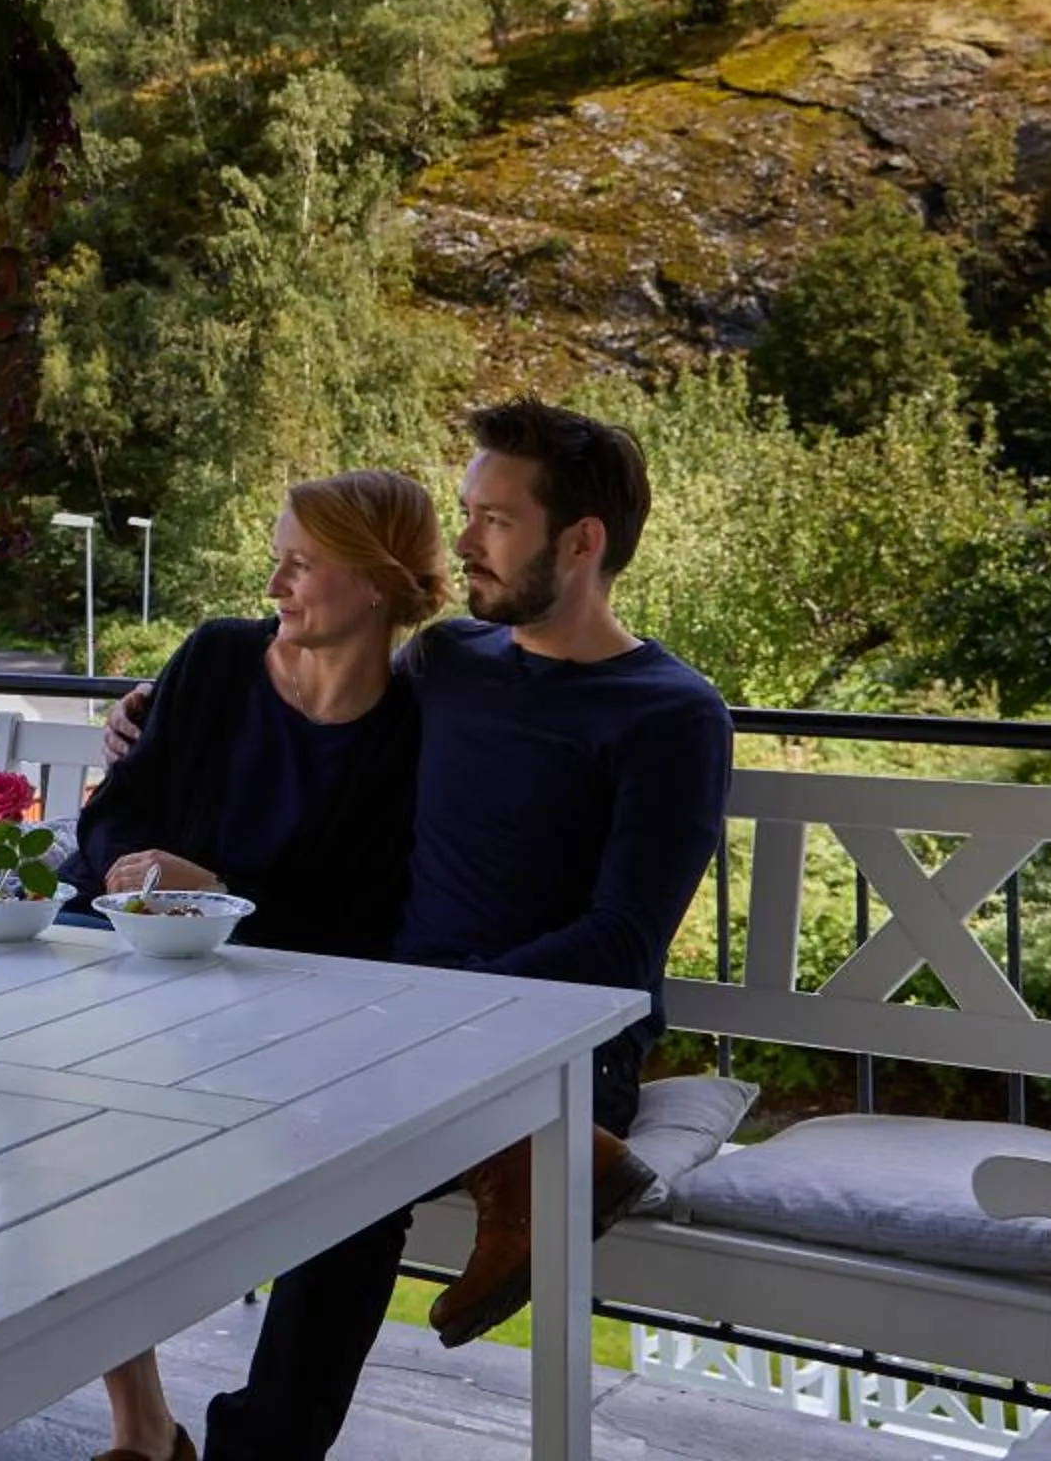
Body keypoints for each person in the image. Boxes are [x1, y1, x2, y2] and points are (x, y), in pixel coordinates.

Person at [101, 399, 733, 1461]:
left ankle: (256, 1448)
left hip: (559, 1042)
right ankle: (145, 1421)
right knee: (134, 1093)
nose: (469, 540)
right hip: (389, 1018)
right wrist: (152, 711)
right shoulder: (451, 660)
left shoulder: (671, 713)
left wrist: (442, 1008)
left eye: (496, 519)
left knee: (353, 1160)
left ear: (581, 541)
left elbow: (624, 939)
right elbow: (318, 689)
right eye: (467, 511)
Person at [56, 467, 450, 1461]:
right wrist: (138, 872)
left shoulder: (409, 734)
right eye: (278, 555)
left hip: (287, 1022)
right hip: (125, 988)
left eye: (302, 563)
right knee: (62, 1122)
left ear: (375, 583)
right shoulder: (219, 659)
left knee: (362, 1183)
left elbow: (362, 923)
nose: (275, 581)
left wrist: (214, 888)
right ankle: (142, 1429)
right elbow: (111, 816)